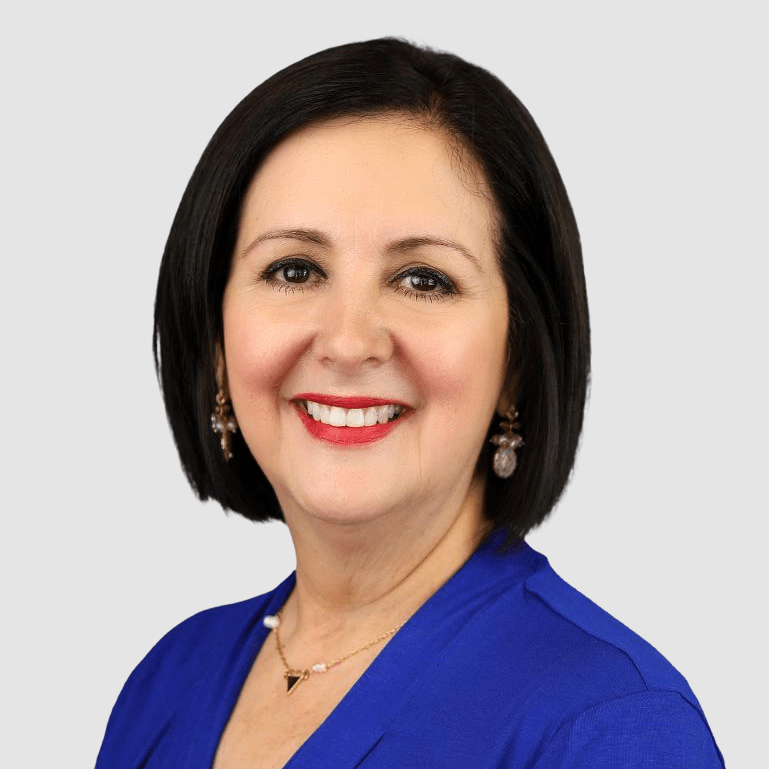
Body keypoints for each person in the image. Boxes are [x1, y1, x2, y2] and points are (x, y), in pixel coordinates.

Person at [95, 38, 724, 768]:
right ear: (215, 339)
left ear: (517, 360)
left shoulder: (611, 725)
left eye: (423, 279)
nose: (348, 340)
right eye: (294, 270)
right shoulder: (169, 681)